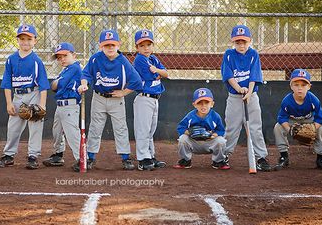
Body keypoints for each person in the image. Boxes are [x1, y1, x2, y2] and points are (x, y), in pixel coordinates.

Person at [78, 29, 143, 170]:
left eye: (113, 45)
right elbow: (86, 74)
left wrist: (124, 92)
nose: (110, 48)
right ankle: (90, 157)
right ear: (101, 46)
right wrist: (84, 84)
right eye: (107, 45)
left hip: (116, 100)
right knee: (95, 128)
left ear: (118, 45)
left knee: (121, 128)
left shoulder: (123, 62)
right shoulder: (95, 58)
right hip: (99, 98)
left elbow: (137, 81)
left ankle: (125, 158)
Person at [0, 24, 50, 169]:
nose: (25, 42)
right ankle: (8, 155)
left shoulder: (36, 61)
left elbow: (43, 85)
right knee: (13, 126)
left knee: (35, 124)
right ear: (18, 41)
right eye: (22, 39)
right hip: (18, 95)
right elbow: (7, 83)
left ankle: (33, 156)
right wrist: (9, 103)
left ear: (35, 41)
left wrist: (42, 104)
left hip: (34, 93)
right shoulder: (11, 59)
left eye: (29, 39)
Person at [221, 25, 271, 172]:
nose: (241, 45)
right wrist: (239, 89)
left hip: (252, 96)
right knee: (231, 127)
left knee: (255, 127)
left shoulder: (254, 54)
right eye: (237, 42)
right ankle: (224, 155)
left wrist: (248, 93)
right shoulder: (229, 55)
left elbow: (254, 76)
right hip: (234, 97)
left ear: (250, 41)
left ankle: (261, 157)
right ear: (233, 42)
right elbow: (228, 76)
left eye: (244, 41)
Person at [273, 69, 322, 171]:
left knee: (321, 129)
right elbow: (282, 118)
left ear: (309, 87)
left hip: (309, 120)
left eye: (303, 85)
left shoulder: (314, 100)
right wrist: (291, 130)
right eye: (296, 85)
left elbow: (320, 119)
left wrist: (312, 129)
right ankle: (284, 156)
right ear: (291, 86)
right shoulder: (287, 101)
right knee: (278, 127)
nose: (300, 88)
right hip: (292, 121)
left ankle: (321, 158)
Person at [42, 42, 83, 172]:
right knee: (57, 132)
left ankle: (82, 159)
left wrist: (57, 82)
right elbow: (53, 86)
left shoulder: (75, 68)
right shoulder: (65, 70)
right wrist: (57, 82)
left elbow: (58, 85)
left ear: (74, 55)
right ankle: (58, 156)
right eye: (59, 57)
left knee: (72, 134)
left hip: (70, 105)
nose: (62, 59)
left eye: (65, 55)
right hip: (60, 106)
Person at [132, 29, 168, 171]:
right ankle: (142, 159)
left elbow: (165, 73)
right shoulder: (140, 59)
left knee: (150, 131)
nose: (146, 48)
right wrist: (157, 73)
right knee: (143, 130)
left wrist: (157, 71)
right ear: (137, 48)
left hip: (154, 99)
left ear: (152, 46)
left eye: (148, 44)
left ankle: (150, 156)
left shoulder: (153, 59)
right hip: (144, 98)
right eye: (142, 45)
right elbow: (151, 77)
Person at [174, 88, 230, 170]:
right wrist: (190, 133)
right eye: (199, 103)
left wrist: (213, 135)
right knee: (183, 139)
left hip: (209, 143)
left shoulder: (215, 116)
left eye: (206, 102)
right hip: (194, 143)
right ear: (194, 104)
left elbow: (220, 130)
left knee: (220, 141)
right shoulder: (190, 116)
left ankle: (218, 161)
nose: (203, 106)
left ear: (212, 104)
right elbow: (181, 127)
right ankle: (185, 161)